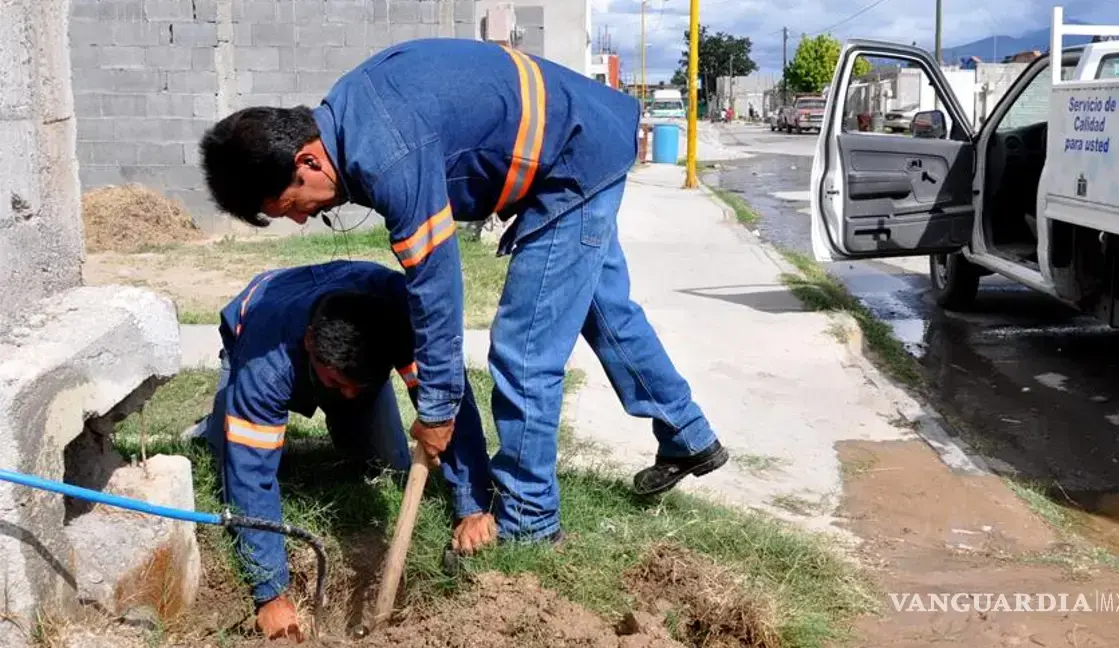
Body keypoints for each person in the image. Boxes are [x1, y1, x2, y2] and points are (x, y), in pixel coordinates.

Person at [198, 37, 728, 551]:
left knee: (524, 349)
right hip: (585, 140)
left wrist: (437, 412)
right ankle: (687, 435)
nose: (298, 217)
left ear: (307, 161)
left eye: (287, 204)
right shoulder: (349, 119)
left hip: (571, 159)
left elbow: (435, 288)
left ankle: (529, 521)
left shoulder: (384, 154)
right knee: (606, 311)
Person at [194, 259, 495, 642]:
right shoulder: (265, 363)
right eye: (339, 382)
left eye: (360, 383)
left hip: (347, 342)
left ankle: (348, 390)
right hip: (256, 330)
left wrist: (472, 506)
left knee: (388, 463)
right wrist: (270, 593)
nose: (349, 394)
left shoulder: (399, 316)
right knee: (232, 454)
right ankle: (216, 422)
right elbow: (250, 475)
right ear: (309, 343)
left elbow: (449, 400)